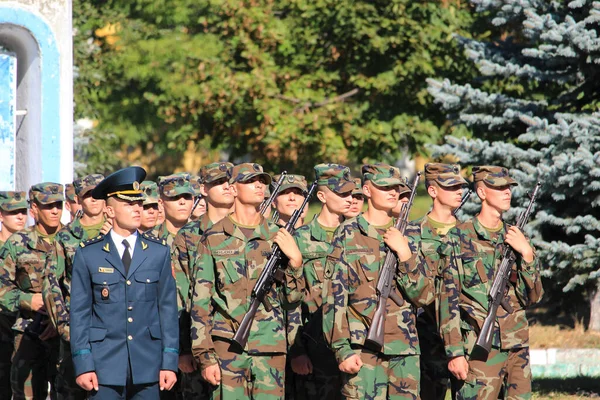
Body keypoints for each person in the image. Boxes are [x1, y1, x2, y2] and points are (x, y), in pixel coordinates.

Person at [190, 162, 305, 400]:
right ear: (233, 189)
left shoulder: (279, 235)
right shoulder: (213, 237)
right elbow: (200, 303)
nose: (259, 185)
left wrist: (295, 262)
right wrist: (205, 356)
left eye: (262, 181)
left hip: (270, 345)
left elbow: (292, 299)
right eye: (251, 181)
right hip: (227, 346)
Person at [322, 163, 433, 400]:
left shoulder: (411, 234)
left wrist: (405, 255)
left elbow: (424, 295)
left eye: (396, 187)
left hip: (405, 350)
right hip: (362, 350)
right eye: (385, 187)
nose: (393, 192)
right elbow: (334, 297)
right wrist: (341, 350)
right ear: (367, 190)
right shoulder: (348, 233)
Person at [69, 166, 179, 399]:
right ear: (109, 211)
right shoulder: (89, 254)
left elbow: (167, 310)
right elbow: (80, 314)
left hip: (148, 364)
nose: (137, 209)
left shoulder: (158, 253)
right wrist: (83, 363)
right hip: (103, 366)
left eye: (139, 203)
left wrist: (169, 361)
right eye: (129, 204)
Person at [440, 166, 544, 400]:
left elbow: (534, 296)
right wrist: (454, 352)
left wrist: (527, 254)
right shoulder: (460, 237)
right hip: (478, 349)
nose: (507, 192)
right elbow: (448, 300)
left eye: (509, 187)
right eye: (499, 187)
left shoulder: (516, 237)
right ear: (482, 193)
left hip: (517, 348)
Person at [288, 164, 355, 400]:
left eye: (351, 193)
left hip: (355, 343)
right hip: (315, 345)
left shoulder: (357, 236)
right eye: (341, 193)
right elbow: (291, 298)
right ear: (322, 196)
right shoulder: (302, 238)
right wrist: (297, 350)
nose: (349, 199)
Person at [403, 163, 467, 400]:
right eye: (451, 186)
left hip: (465, 333)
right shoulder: (411, 233)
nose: (458, 191)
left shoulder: (468, 233)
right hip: (424, 335)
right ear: (432, 191)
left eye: (460, 186)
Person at [172, 162, 234, 399]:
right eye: (219, 182)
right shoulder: (188, 235)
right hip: (199, 343)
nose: (227, 187)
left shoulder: (255, 232)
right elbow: (180, 294)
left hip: (242, 345)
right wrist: (184, 348)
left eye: (230, 182)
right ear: (204, 189)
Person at [43, 174, 106, 400]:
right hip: (76, 331)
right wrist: (65, 327)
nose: (95, 199)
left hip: (112, 332)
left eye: (100, 194)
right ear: (79, 199)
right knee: (71, 391)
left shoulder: (117, 231)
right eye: (89, 195)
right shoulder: (66, 237)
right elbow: (51, 284)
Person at [0, 183, 65, 399]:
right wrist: (29, 300)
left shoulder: (71, 240)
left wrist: (59, 318)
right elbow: (2, 286)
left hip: (64, 335)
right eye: (48, 206)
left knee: (65, 393)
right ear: (34, 209)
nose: (55, 210)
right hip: (29, 332)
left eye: (58, 205)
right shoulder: (18, 243)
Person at [0, 191, 29, 399]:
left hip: (23, 323)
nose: (20, 216)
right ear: (1, 215)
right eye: (13, 212)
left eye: (23, 211)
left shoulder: (32, 246)